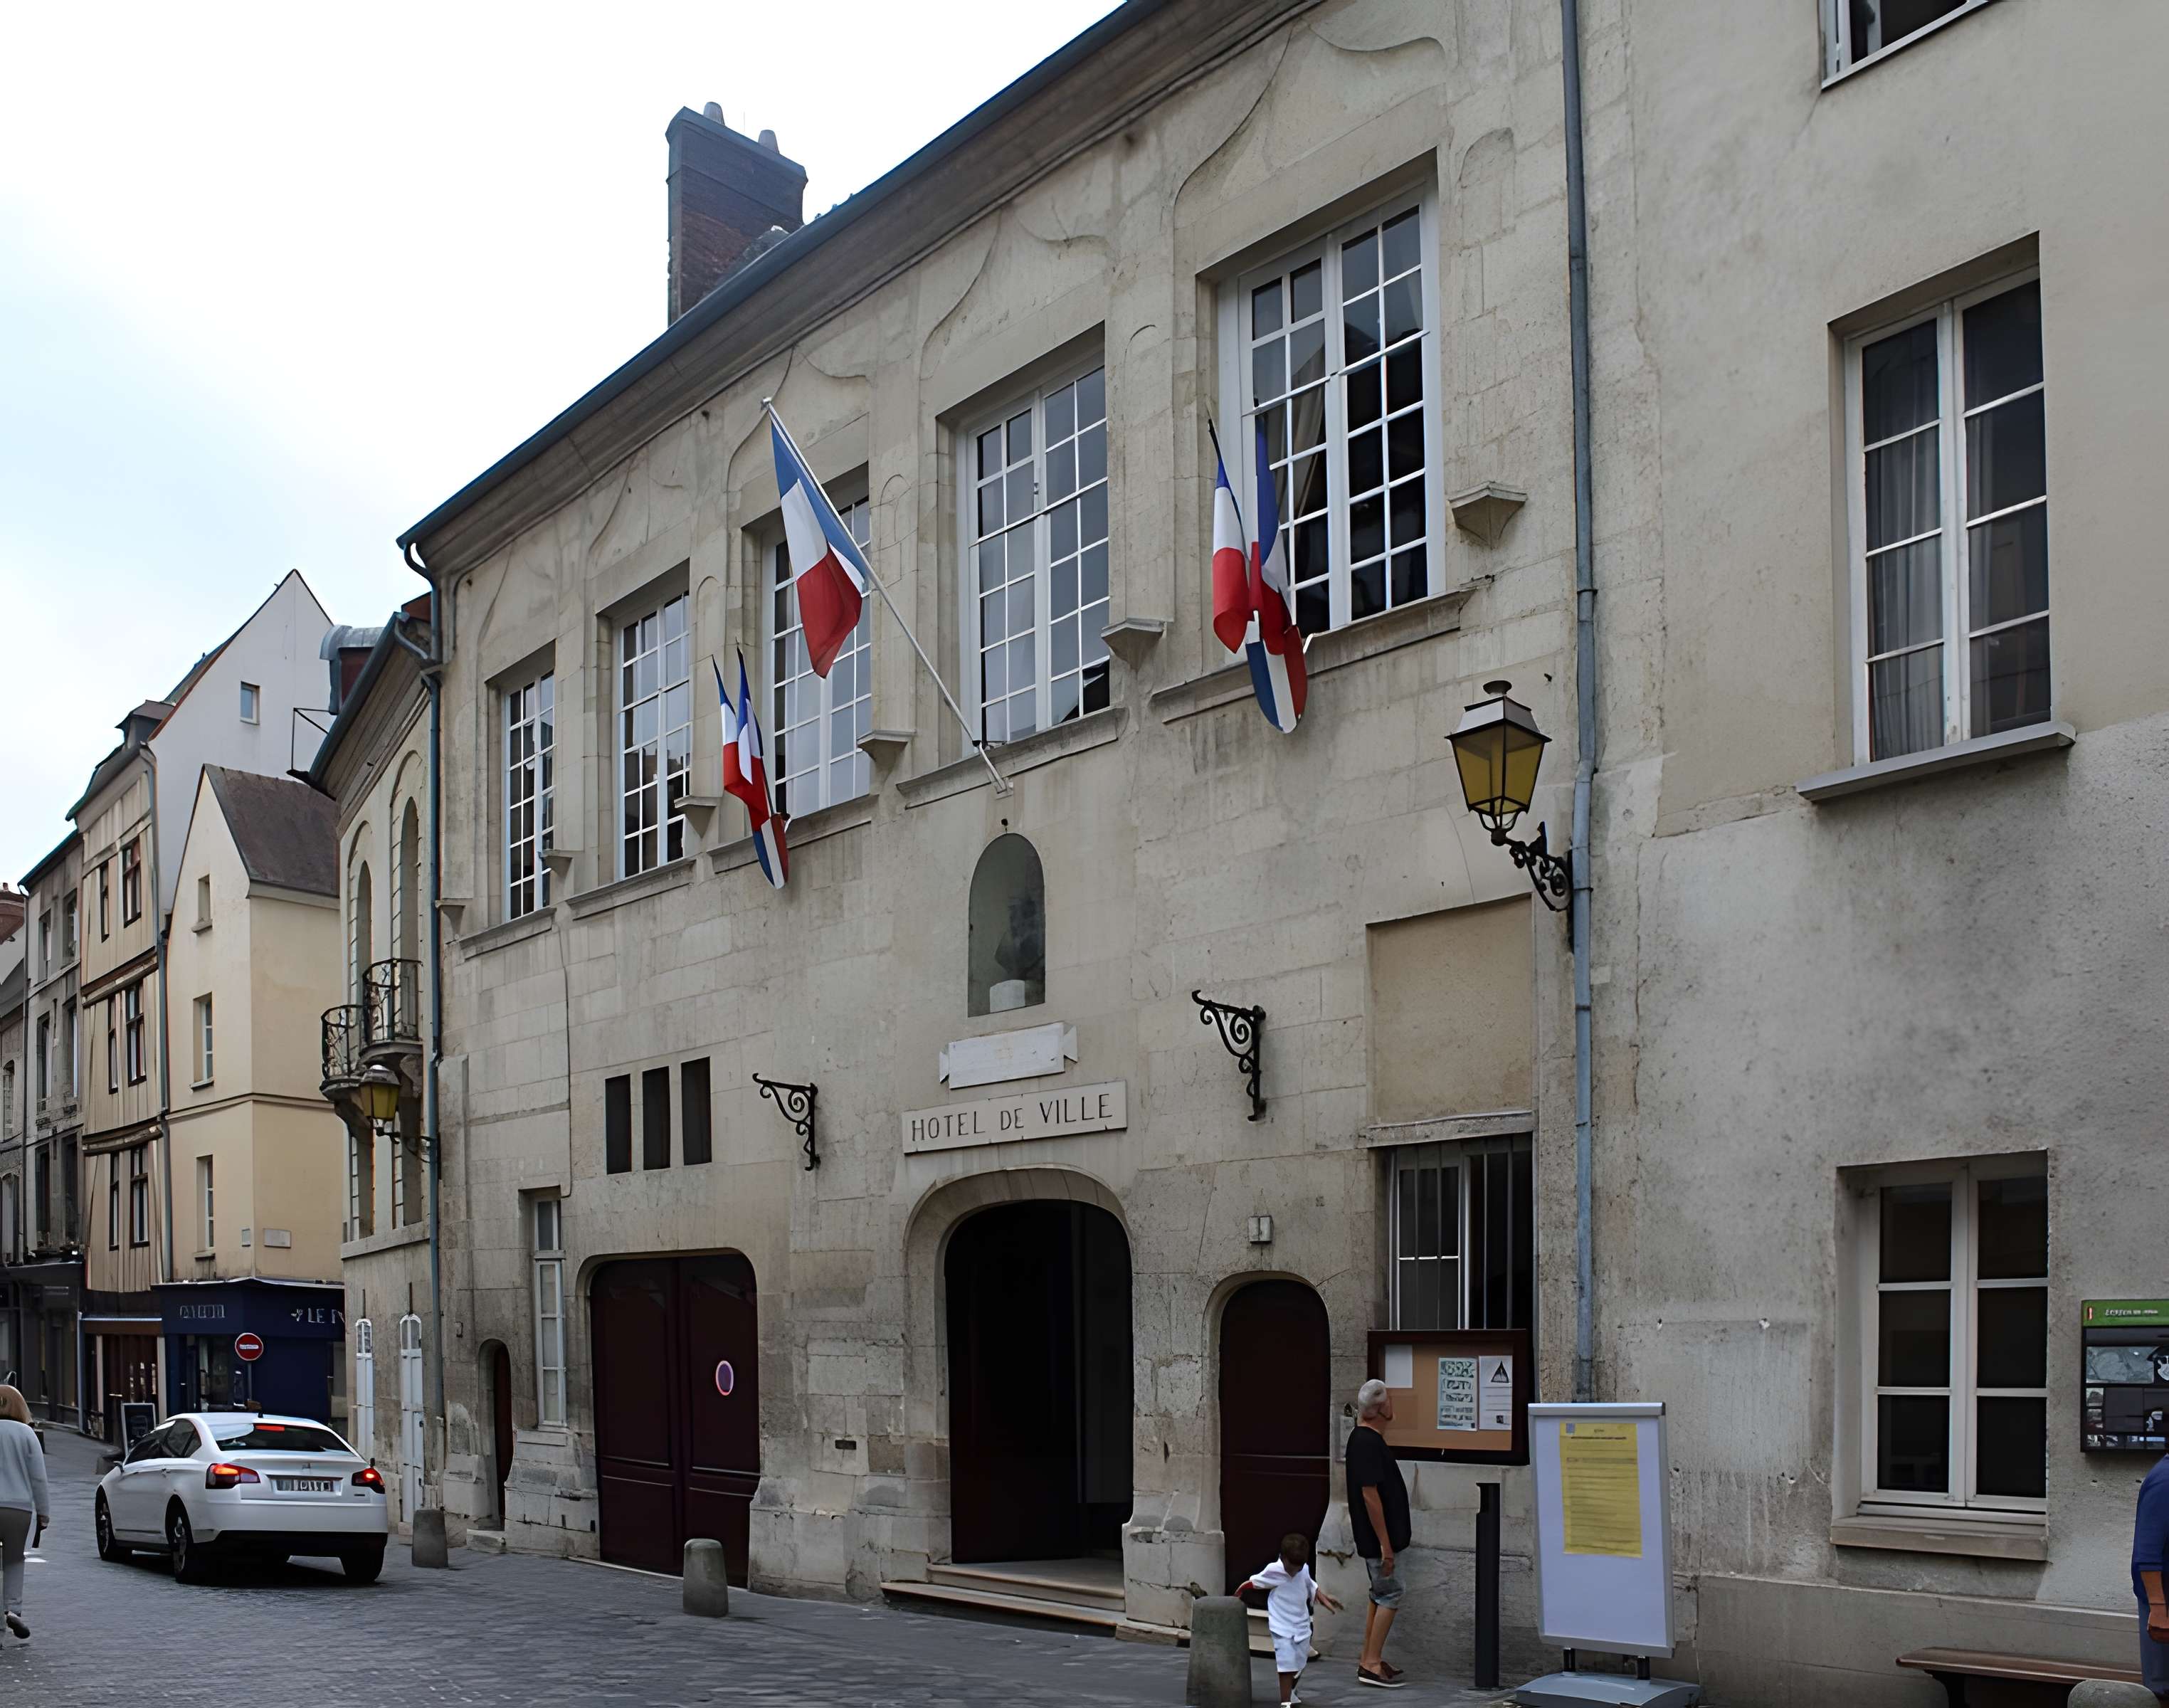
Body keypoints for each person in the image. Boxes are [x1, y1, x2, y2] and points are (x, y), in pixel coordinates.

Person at [1346, 1377, 1411, 1689]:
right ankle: (1371, 1663)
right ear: (1381, 1408)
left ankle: (1368, 1657)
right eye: (1389, 1401)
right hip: (1376, 1540)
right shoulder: (1366, 1442)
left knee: (1379, 1594)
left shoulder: (1366, 1439)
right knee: (1390, 1594)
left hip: (1378, 1539)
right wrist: (1386, 1546)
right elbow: (1370, 1497)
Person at [1237, 1531, 1341, 1708]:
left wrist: (1322, 1597)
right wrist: (1236, 1595)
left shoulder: (1304, 1569)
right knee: (1286, 1664)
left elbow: (1309, 1585)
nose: (1294, 1572)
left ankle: (1290, 1692)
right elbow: (1253, 1582)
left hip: (1301, 1625)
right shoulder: (1274, 1571)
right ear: (1282, 1557)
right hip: (1281, 1625)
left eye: (1298, 1568)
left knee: (1299, 1663)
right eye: (1290, 1568)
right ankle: (1285, 1703)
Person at [0, 1385, 51, 1645]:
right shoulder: (26, 1434)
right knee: (14, 1560)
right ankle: (12, 1609)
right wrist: (44, 1512)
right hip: (18, 1507)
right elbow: (38, 1477)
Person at [2136, 1447, 2169, 1700]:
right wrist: (2158, 1608)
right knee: (2162, 1687)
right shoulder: (2165, 1480)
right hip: (2164, 1602)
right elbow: (2147, 1554)